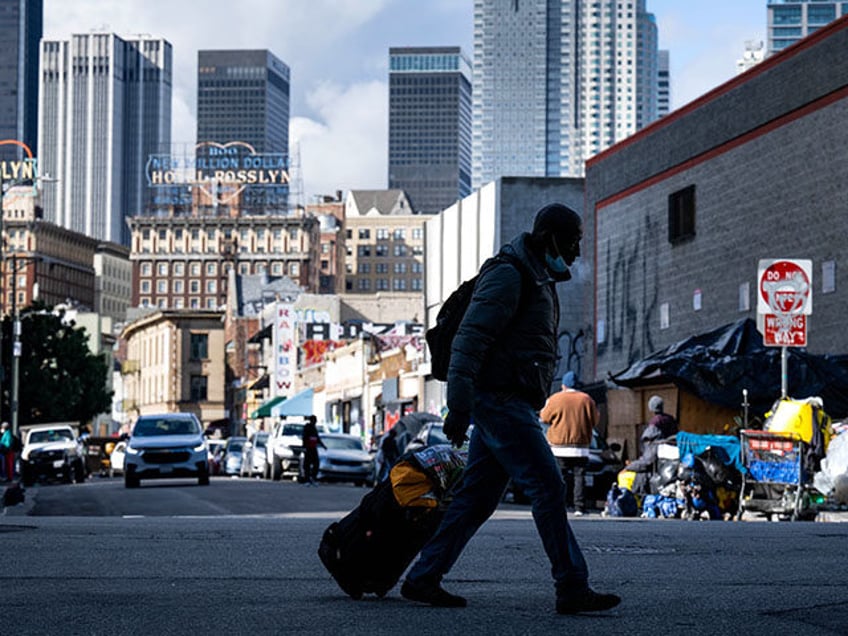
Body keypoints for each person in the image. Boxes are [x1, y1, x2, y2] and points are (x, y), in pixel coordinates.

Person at [401, 203, 620, 615]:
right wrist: (460, 407)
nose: (574, 252)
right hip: (500, 401)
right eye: (571, 241)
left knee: (476, 498)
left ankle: (422, 577)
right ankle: (572, 585)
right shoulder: (509, 274)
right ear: (549, 236)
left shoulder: (537, 277)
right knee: (548, 486)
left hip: (505, 400)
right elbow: (470, 340)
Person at [540, 371, 599, 516]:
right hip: (581, 446)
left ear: (563, 385)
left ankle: (561, 505)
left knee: (560, 477)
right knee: (580, 476)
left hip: (559, 447)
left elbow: (544, 417)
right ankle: (579, 507)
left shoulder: (555, 399)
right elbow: (595, 421)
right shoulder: (587, 400)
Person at [625, 395, 678, 493]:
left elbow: (648, 461)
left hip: (656, 466)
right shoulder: (671, 420)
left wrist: (629, 466)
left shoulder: (655, 425)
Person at [300, 416, 325, 485]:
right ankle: (307, 479)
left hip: (313, 448)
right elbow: (305, 437)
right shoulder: (307, 427)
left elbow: (317, 438)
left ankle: (313, 478)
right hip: (308, 448)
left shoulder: (314, 428)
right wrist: (304, 447)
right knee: (307, 464)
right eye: (314, 420)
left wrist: (323, 446)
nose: (315, 422)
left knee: (316, 463)